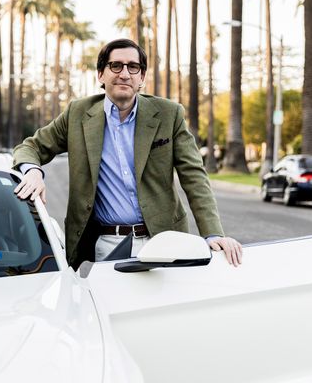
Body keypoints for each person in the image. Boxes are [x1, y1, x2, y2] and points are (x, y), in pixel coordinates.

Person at [13, 38, 242, 269]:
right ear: (101, 74)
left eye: (133, 67)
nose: (124, 74)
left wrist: (213, 234)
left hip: (163, 241)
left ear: (141, 77)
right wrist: (33, 171)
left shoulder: (168, 114)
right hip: (105, 245)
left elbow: (194, 177)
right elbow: (30, 147)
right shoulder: (78, 114)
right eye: (116, 66)